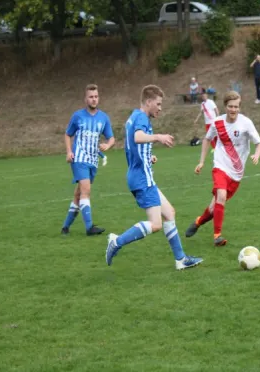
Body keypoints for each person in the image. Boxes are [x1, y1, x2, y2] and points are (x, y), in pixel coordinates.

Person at [105, 85, 203, 270]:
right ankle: (116, 241)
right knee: (156, 223)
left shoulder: (134, 116)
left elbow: (132, 146)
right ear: (148, 102)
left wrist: (148, 157)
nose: (160, 108)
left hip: (140, 174)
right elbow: (138, 137)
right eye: (158, 104)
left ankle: (180, 260)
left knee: (169, 213)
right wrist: (158, 137)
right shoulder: (141, 117)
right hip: (142, 179)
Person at [185, 91, 260, 246]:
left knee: (214, 206)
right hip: (220, 165)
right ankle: (217, 236)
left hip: (237, 173)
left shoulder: (246, 123)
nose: (233, 110)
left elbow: (259, 143)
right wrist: (201, 162)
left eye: (236, 107)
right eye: (230, 106)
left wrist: (257, 154)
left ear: (239, 107)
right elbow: (207, 139)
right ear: (225, 106)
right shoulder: (217, 122)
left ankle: (198, 221)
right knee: (221, 196)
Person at [61, 84, 115, 236]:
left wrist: (108, 145)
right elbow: (67, 134)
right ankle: (89, 227)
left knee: (78, 195)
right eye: (91, 97)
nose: (94, 99)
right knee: (86, 191)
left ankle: (65, 227)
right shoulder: (78, 116)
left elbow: (111, 138)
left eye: (96, 96)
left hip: (93, 160)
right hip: (79, 158)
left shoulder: (103, 118)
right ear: (85, 99)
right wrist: (69, 152)